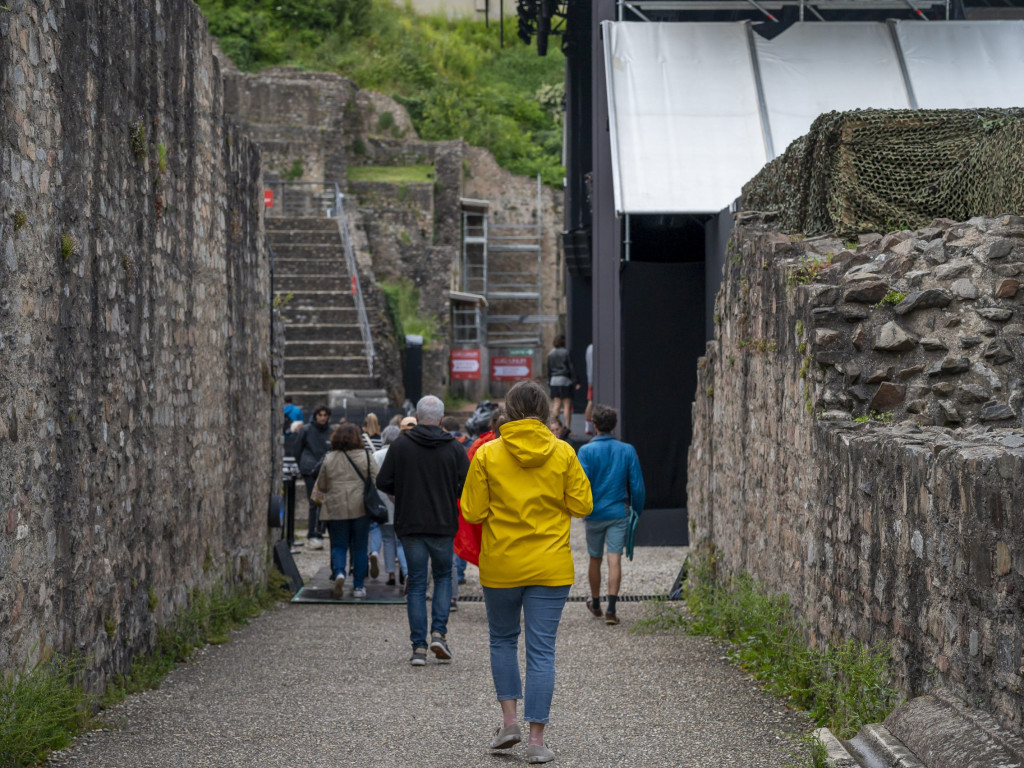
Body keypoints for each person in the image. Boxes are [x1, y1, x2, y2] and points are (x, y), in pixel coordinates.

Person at [461, 380, 593, 764]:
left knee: (502, 640)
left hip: (501, 563)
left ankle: (508, 723)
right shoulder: (563, 452)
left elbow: (471, 511)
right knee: (541, 651)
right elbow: (582, 504)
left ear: (509, 409)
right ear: (545, 410)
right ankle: (537, 740)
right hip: (550, 565)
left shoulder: (487, 454)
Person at [376, 395, 470, 666]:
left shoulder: (402, 445)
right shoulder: (453, 448)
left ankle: (418, 647)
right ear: (441, 419)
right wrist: (450, 492)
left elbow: (384, 481)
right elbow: (468, 481)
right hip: (442, 522)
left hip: (411, 523)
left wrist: (402, 493)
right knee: (442, 576)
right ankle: (439, 633)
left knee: (417, 583)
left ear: (416, 417)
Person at [576, 404, 646, 626]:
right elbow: (636, 486)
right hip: (618, 512)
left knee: (594, 558)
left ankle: (595, 603)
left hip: (594, 513)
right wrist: (637, 508)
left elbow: (580, 484)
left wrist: (580, 509)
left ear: (594, 425)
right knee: (614, 558)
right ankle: (611, 609)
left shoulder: (585, 451)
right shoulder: (626, 450)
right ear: (613, 425)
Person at [313, 423, 378, 599]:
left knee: (339, 544)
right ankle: (358, 586)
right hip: (361, 507)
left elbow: (323, 485)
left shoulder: (329, 458)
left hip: (336, 507)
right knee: (360, 546)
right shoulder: (366, 455)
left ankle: (340, 572)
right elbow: (376, 479)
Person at [371, 425, 407, 587]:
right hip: (400, 500)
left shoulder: (376, 455)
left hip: (381, 502)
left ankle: (391, 574)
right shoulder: (402, 453)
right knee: (401, 541)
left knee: (387, 540)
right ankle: (406, 573)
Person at [296, 406, 332, 549]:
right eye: (320, 415)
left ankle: (319, 531)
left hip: (324, 469)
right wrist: (302, 466)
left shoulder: (331, 432)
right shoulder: (306, 430)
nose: (322, 417)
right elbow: (297, 450)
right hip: (310, 469)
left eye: (325, 415)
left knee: (323, 501)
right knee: (314, 502)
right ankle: (313, 533)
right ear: (315, 416)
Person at [546, 334, 577, 431]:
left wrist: (549, 382)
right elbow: (571, 367)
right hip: (565, 380)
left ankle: (554, 427)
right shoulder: (567, 352)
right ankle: (567, 428)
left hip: (554, 381)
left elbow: (549, 370)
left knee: (556, 404)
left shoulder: (550, 354)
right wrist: (575, 380)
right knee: (567, 405)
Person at [584, 343, 594, 435]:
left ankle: (588, 426)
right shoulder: (594, 348)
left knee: (590, 401)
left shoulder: (589, 348)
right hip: (595, 379)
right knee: (590, 402)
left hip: (590, 379)